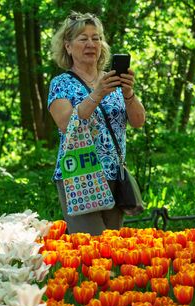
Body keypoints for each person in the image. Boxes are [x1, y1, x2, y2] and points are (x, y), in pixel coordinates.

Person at [48, 12, 146, 235]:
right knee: (92, 247)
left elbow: (139, 121)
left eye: (96, 38)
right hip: (79, 175)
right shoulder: (61, 83)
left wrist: (128, 92)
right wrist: (98, 93)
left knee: (111, 249)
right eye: (83, 39)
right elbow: (66, 124)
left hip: (113, 174)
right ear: (68, 46)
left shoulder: (113, 81)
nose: (91, 44)